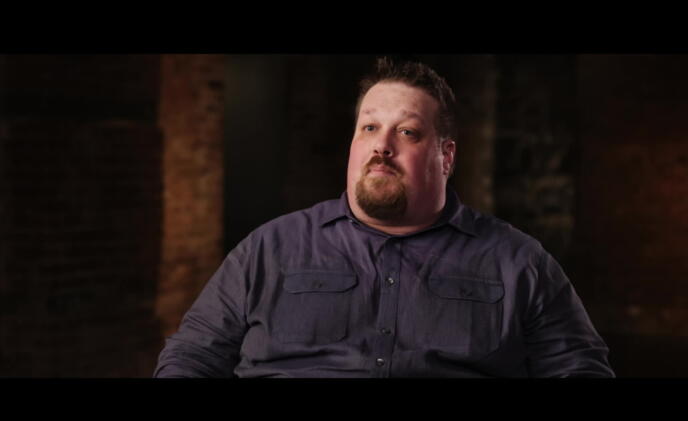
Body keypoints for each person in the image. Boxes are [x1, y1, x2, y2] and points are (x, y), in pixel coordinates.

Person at [154, 57, 615, 378]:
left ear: (446, 156)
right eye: (370, 127)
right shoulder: (268, 249)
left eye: (407, 132)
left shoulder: (518, 262)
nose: (382, 145)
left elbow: (579, 367)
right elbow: (192, 356)